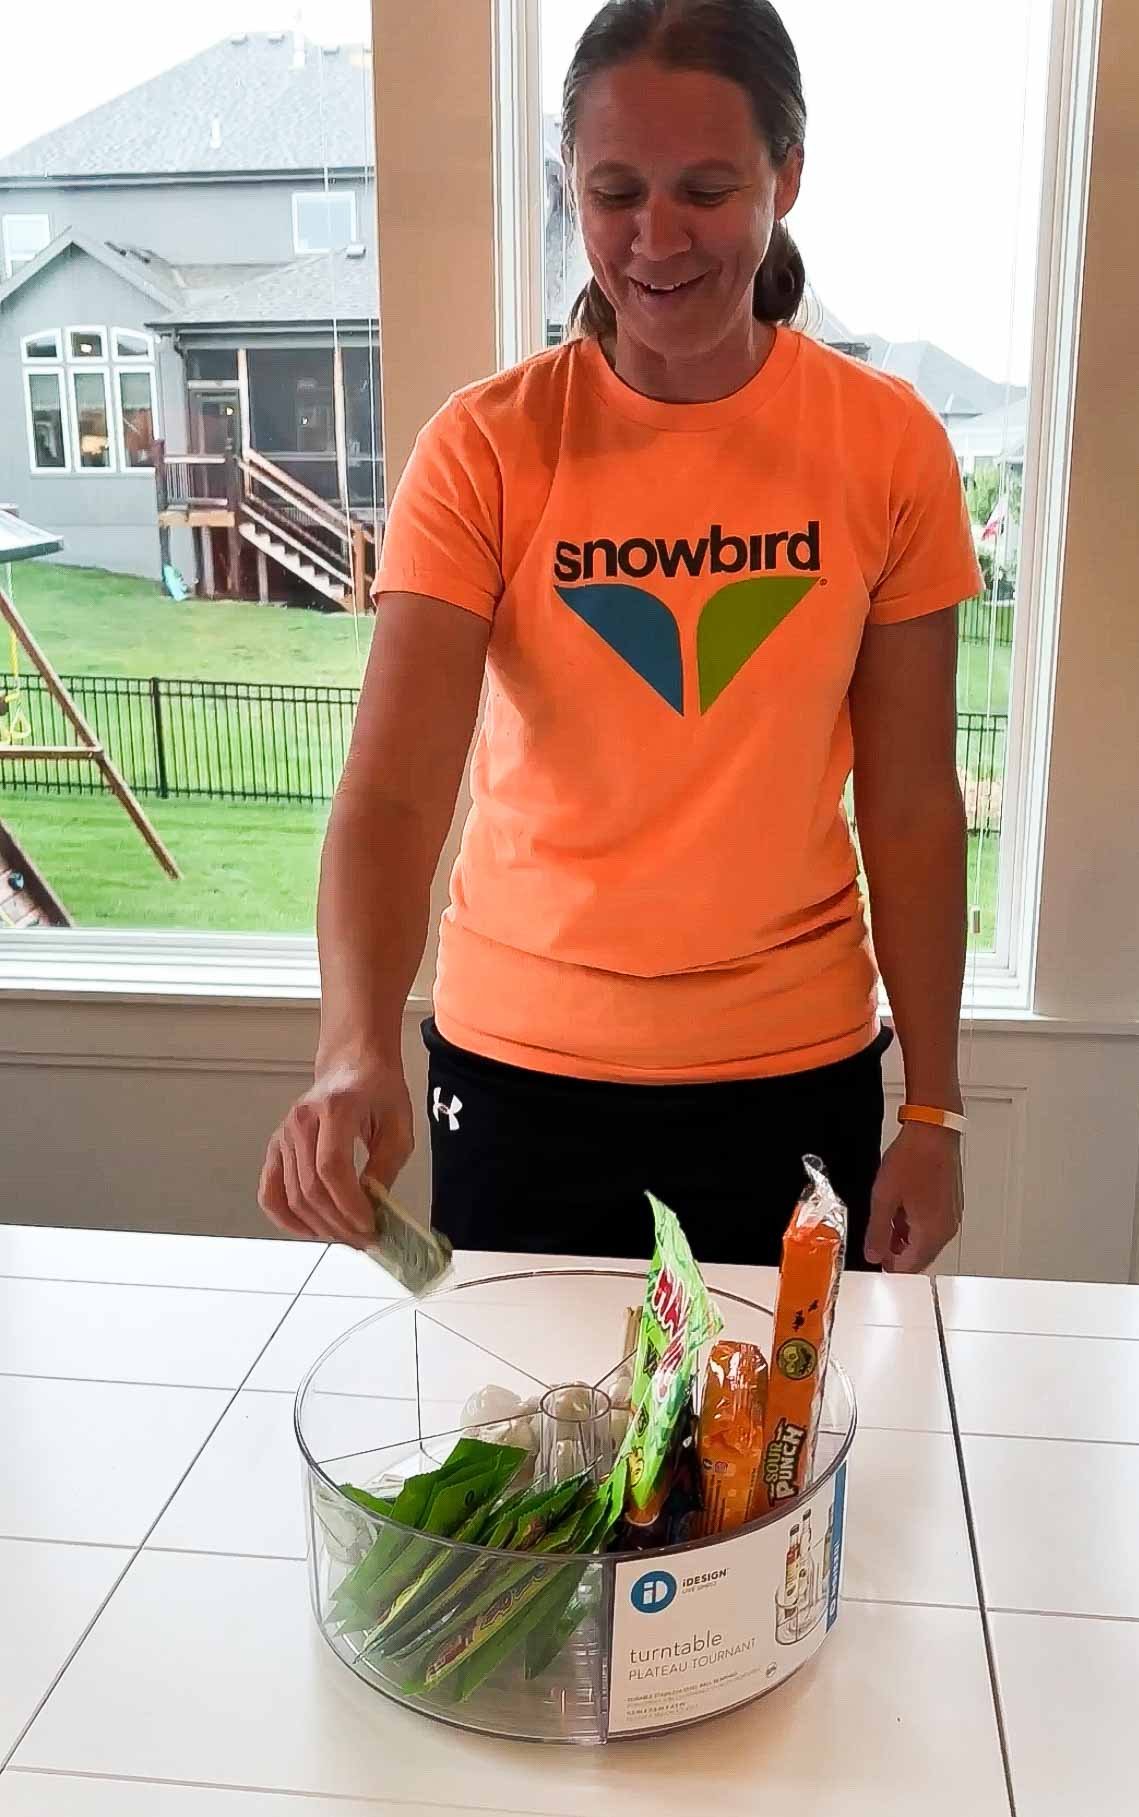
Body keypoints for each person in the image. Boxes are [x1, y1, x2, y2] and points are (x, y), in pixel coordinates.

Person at [258, 0, 980, 1275]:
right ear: (572, 192)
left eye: (707, 188)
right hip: (522, 1079)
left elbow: (914, 802)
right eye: (615, 191)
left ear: (787, 179)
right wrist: (354, 1044)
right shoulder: (486, 445)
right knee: (527, 1463)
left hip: (793, 1076)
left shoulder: (886, 443)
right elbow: (390, 790)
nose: (656, 237)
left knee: (771, 1469)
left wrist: (932, 1108)